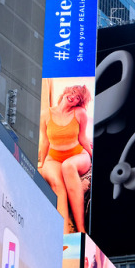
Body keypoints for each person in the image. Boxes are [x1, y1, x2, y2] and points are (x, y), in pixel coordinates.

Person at [39, 85, 92, 234]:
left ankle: (81, 229)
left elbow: (83, 138)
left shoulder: (80, 113)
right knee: (58, 187)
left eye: (78, 98)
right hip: (54, 157)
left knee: (68, 166)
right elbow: (44, 142)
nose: (73, 97)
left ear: (78, 102)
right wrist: (42, 165)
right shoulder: (46, 114)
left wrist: (92, 156)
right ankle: (64, 233)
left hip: (78, 155)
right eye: (73, 93)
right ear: (66, 91)